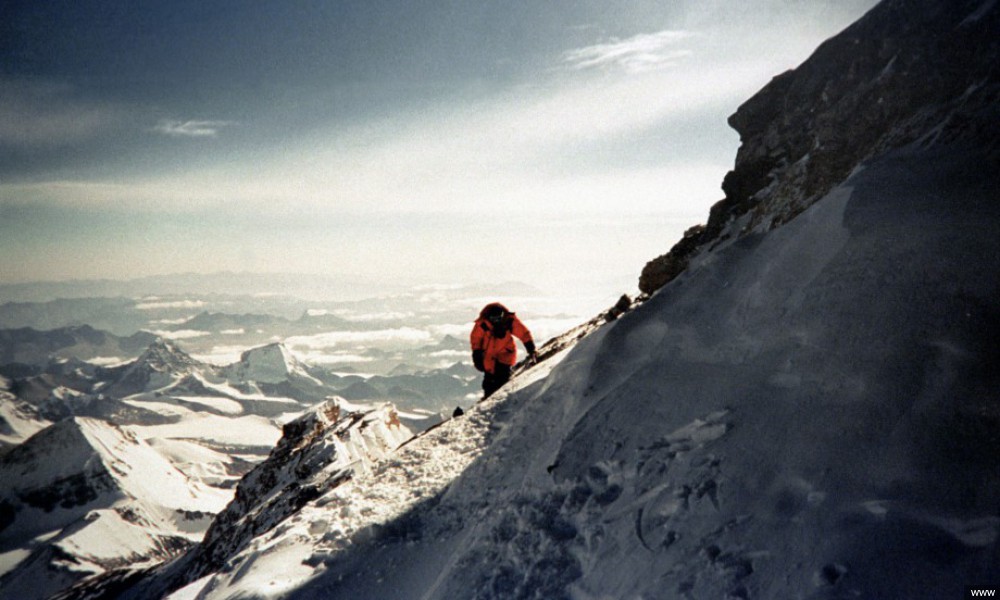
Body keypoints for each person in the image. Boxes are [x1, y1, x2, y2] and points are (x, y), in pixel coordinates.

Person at [470, 302, 537, 398]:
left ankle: (500, 399)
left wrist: (530, 348)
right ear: (489, 317)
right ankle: (488, 398)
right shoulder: (482, 325)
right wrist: (476, 354)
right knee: (489, 380)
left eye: (498, 318)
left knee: (502, 377)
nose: (496, 321)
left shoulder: (509, 321)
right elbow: (476, 339)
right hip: (488, 357)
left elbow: (523, 333)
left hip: (505, 354)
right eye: (494, 319)